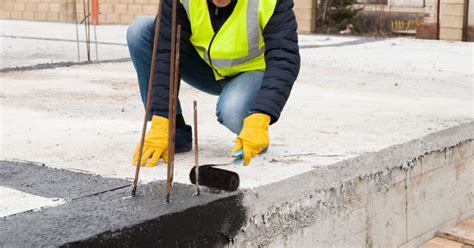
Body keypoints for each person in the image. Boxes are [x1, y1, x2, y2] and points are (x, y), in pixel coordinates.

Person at [127, 0, 300, 167]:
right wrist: (162, 116)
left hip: (251, 73)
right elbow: (168, 51)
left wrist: (262, 114)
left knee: (233, 111)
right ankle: (175, 132)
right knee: (141, 31)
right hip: (207, 69)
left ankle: (254, 133)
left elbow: (283, 58)